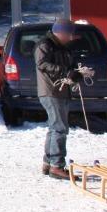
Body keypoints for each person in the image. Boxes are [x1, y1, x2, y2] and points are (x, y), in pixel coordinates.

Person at [34, 19, 83, 180]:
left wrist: (77, 73)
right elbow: (42, 64)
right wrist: (65, 72)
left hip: (61, 92)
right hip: (51, 91)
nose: (70, 38)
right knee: (60, 128)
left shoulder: (63, 47)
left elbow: (71, 67)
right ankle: (57, 166)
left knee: (54, 128)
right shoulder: (45, 45)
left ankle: (48, 163)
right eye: (69, 34)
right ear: (60, 33)